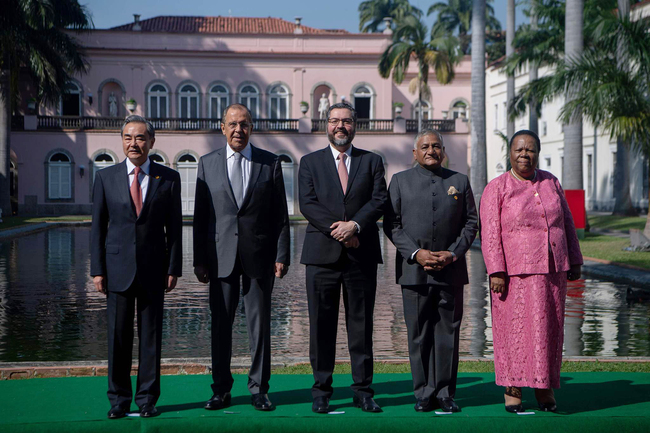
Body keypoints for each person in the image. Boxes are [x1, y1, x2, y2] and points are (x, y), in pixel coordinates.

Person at [193, 103, 290, 412]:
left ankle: (259, 389)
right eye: (232, 124)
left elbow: (280, 216)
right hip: (219, 258)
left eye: (244, 124)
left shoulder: (269, 163)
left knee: (260, 328)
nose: (238, 129)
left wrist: (282, 253)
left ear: (252, 127)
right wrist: (199, 259)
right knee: (220, 327)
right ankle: (221, 390)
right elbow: (201, 216)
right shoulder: (207, 163)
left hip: (259, 258)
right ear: (223, 128)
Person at [480, 129, 583, 413]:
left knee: (549, 329)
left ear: (537, 153)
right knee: (514, 331)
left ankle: (544, 386)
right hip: (514, 275)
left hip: (552, 270)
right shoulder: (497, 187)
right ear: (510, 153)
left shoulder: (551, 182)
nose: (524, 155)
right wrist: (496, 271)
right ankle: (513, 388)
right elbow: (489, 234)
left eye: (530, 150)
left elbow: (567, 223)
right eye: (519, 150)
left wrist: (574, 259)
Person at [90, 115, 182, 419]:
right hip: (116, 269)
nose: (134, 143)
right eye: (129, 138)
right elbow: (97, 229)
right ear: (122, 141)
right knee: (118, 338)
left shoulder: (168, 179)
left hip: (154, 269)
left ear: (151, 143)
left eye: (141, 138)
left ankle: (147, 400)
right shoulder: (105, 178)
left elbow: (175, 228)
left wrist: (174, 267)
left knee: (151, 337)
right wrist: (97, 269)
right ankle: (118, 399)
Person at [298, 102, 387, 414]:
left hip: (360, 255)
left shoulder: (372, 161)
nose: (340, 126)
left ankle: (363, 391)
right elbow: (307, 204)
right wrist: (338, 230)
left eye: (346, 121)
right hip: (321, 256)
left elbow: (379, 200)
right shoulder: (309, 162)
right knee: (321, 326)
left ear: (355, 125)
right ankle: (321, 391)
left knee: (361, 326)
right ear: (326, 124)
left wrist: (355, 226)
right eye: (334, 120)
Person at [384, 129, 478, 413]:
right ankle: (424, 392)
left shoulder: (459, 181)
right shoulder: (400, 182)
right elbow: (392, 224)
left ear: (443, 150)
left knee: (447, 332)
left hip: (451, 270)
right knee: (418, 333)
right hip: (414, 271)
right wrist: (417, 253)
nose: (431, 150)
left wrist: (453, 253)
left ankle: (446, 392)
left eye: (436, 146)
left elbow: (471, 222)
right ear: (415, 152)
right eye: (424, 146)